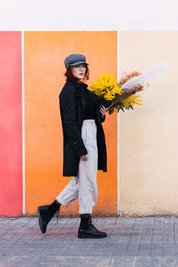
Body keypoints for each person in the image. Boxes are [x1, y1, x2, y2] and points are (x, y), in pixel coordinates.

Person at [37, 54, 108, 239]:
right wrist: (80, 147)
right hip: (82, 138)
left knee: (81, 181)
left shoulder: (83, 90)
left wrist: (101, 114)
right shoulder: (68, 91)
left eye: (83, 66)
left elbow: (91, 114)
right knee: (88, 182)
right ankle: (85, 225)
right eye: (76, 67)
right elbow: (69, 122)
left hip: (90, 135)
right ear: (69, 70)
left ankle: (49, 210)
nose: (81, 69)